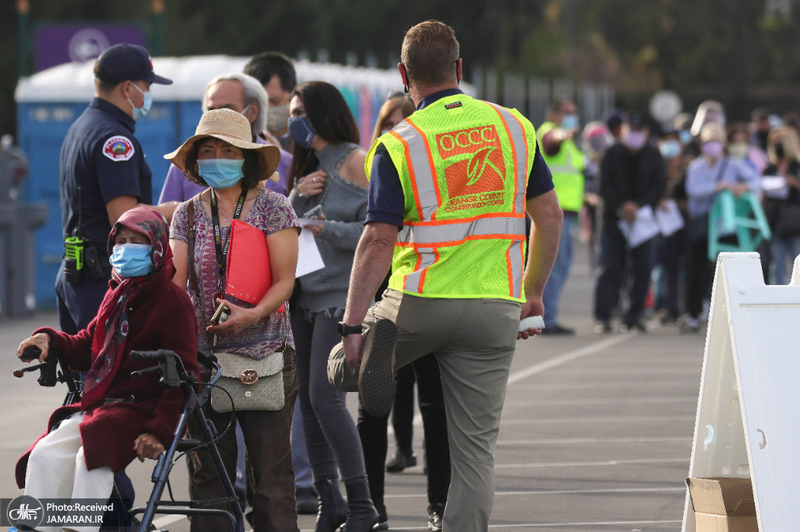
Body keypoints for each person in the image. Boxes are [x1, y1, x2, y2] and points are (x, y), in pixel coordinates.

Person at [328, 20, 563, 532]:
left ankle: (368, 358)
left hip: (417, 300)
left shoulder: (398, 143)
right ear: (460, 68)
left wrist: (350, 323)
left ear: (403, 75)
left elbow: (376, 241)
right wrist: (534, 292)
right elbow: (548, 217)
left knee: (338, 367)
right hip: (493, 305)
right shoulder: (514, 126)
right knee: (476, 452)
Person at [15, 206, 199, 532]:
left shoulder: (173, 301)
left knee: (91, 456)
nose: (126, 248)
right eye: (121, 240)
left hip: (142, 408)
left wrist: (160, 429)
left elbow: (184, 374)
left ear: (157, 247)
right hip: (103, 407)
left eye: (137, 241)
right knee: (46, 453)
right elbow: (89, 345)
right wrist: (50, 340)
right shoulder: (117, 292)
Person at [56, 42, 176, 513]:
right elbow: (126, 221)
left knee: (88, 392)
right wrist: (176, 210)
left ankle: (91, 502)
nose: (148, 95)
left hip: (76, 275)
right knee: (108, 395)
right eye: (146, 86)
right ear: (128, 88)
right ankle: (110, 505)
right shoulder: (115, 139)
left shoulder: (81, 127)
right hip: (100, 283)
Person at [167, 108, 300, 532]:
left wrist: (252, 315)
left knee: (271, 478)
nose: (217, 158)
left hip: (267, 355)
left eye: (228, 150)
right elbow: (176, 283)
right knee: (209, 478)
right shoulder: (186, 214)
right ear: (196, 160)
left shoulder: (274, 208)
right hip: (205, 361)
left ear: (244, 158)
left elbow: (285, 282)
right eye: (208, 150)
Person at [355, 92, 450, 532]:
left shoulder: (432, 166)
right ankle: (371, 507)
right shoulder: (377, 163)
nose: (399, 127)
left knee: (434, 403)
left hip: (422, 291)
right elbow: (371, 237)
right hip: (385, 294)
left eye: (406, 118)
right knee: (374, 404)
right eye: (390, 121)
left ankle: (440, 505)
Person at [285, 81, 378, 532]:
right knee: (307, 401)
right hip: (303, 298)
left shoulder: (358, 161)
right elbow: (283, 228)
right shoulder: (308, 167)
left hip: (340, 296)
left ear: (323, 112)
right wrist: (296, 195)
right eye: (291, 112)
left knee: (327, 399)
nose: (294, 120)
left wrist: (327, 229)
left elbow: (375, 231)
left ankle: (362, 505)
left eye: (300, 110)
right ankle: (329, 502)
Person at [243, 51, 317, 515]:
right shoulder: (197, 191)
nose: (272, 108)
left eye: (279, 99)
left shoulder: (289, 163)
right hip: (226, 321)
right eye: (265, 99)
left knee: (287, 400)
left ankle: (302, 484)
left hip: (280, 310)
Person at [159, 73, 293, 203]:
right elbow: (164, 223)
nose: (219, 118)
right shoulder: (184, 166)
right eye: (211, 110)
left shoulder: (286, 164)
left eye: (227, 110)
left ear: (252, 112)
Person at [593, 114, 667, 333]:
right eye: (631, 130)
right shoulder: (611, 153)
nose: (635, 135)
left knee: (643, 268)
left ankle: (634, 316)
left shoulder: (653, 154)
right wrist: (622, 206)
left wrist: (640, 205)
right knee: (609, 268)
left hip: (643, 220)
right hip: (614, 218)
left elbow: (659, 184)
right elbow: (603, 185)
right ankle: (603, 316)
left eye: (639, 131)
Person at [683, 122, 760, 332]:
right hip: (702, 224)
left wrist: (743, 187)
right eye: (708, 142)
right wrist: (717, 186)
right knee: (696, 267)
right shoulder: (696, 167)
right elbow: (692, 190)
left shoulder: (732, 165)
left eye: (716, 142)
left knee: (725, 268)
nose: (712, 146)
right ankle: (693, 312)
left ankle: (728, 310)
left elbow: (755, 180)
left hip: (725, 226)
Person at [537, 99, 586, 335]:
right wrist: (563, 135)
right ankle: (547, 317)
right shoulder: (550, 132)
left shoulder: (571, 144)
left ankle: (548, 314)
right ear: (553, 114)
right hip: (555, 210)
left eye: (573, 113)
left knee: (562, 263)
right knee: (555, 265)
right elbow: (550, 143)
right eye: (566, 113)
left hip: (567, 210)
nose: (571, 117)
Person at [761, 126, 800, 284]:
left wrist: (795, 184)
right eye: (774, 142)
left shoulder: (796, 167)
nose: (778, 145)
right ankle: (778, 300)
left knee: (797, 261)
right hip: (775, 221)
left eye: (781, 142)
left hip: (796, 221)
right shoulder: (769, 169)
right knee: (777, 263)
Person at [244, 51, 297, 152]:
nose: (267, 108)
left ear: (294, 95)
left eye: (275, 101)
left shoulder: (309, 141)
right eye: (260, 103)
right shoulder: (240, 142)